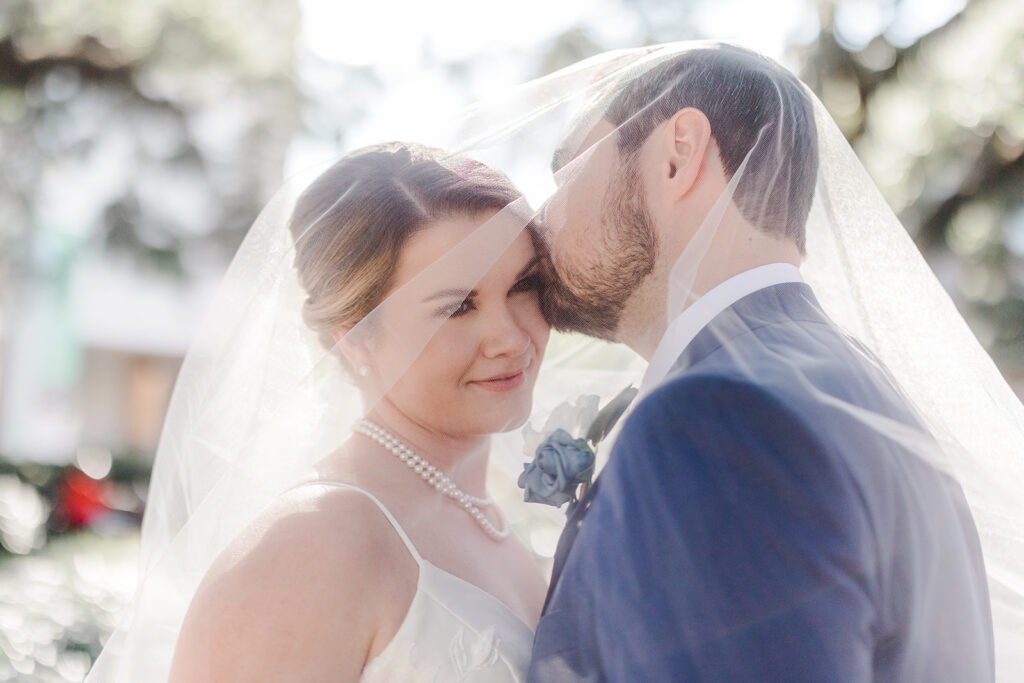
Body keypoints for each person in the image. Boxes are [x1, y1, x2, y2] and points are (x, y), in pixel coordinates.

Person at [527, 44, 999, 681]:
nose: (540, 216)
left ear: (677, 155)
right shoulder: (850, 387)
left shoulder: (715, 420)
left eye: (566, 175)